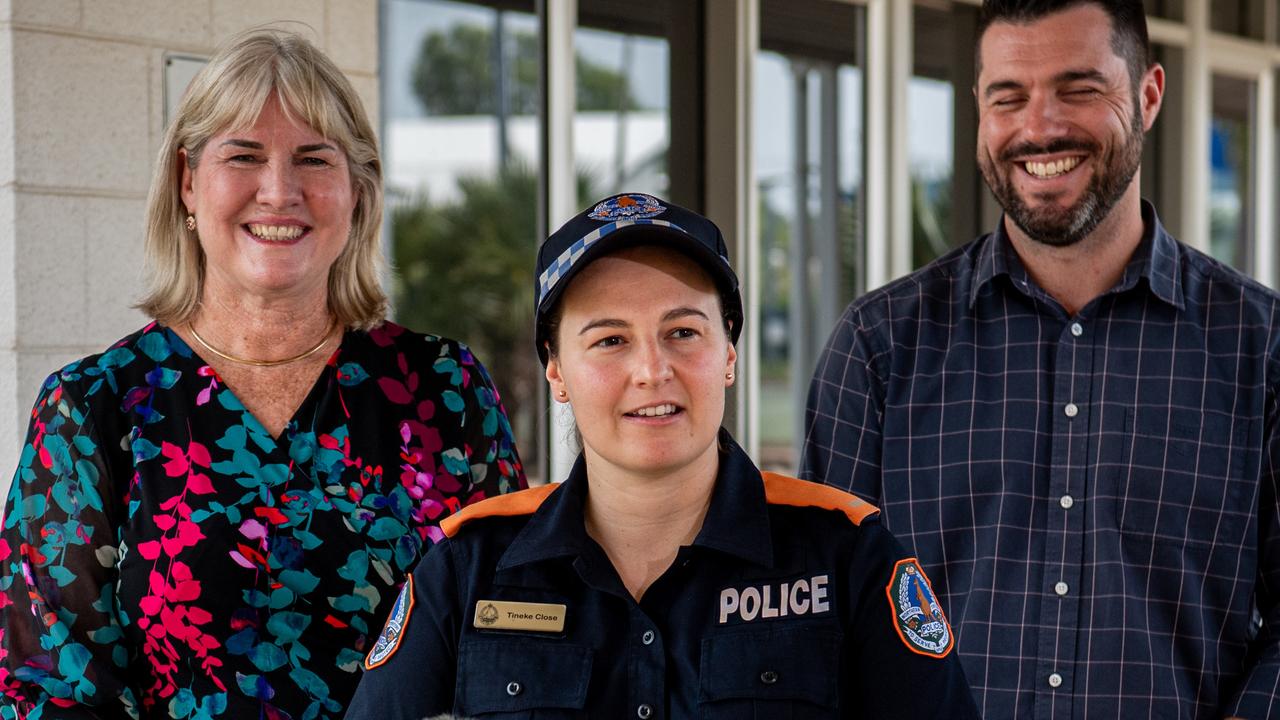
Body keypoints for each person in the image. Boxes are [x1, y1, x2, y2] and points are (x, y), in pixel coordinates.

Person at [0, 30, 524, 719]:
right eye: (243, 156)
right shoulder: (95, 408)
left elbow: (513, 636)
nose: (279, 192)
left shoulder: (442, 390)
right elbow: (48, 687)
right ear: (188, 183)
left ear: (359, 190)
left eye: (314, 159)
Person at [802, 1, 1280, 718]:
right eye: (1009, 97)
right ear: (979, 111)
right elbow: (822, 618)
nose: (1038, 127)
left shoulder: (1262, 347)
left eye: (1079, 89)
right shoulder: (881, 348)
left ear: (1148, 96)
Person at [345, 192, 981, 719]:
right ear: (556, 370)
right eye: (610, 340)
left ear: (729, 354)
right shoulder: (469, 568)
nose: (652, 370)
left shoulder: (847, 557)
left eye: (683, 332)